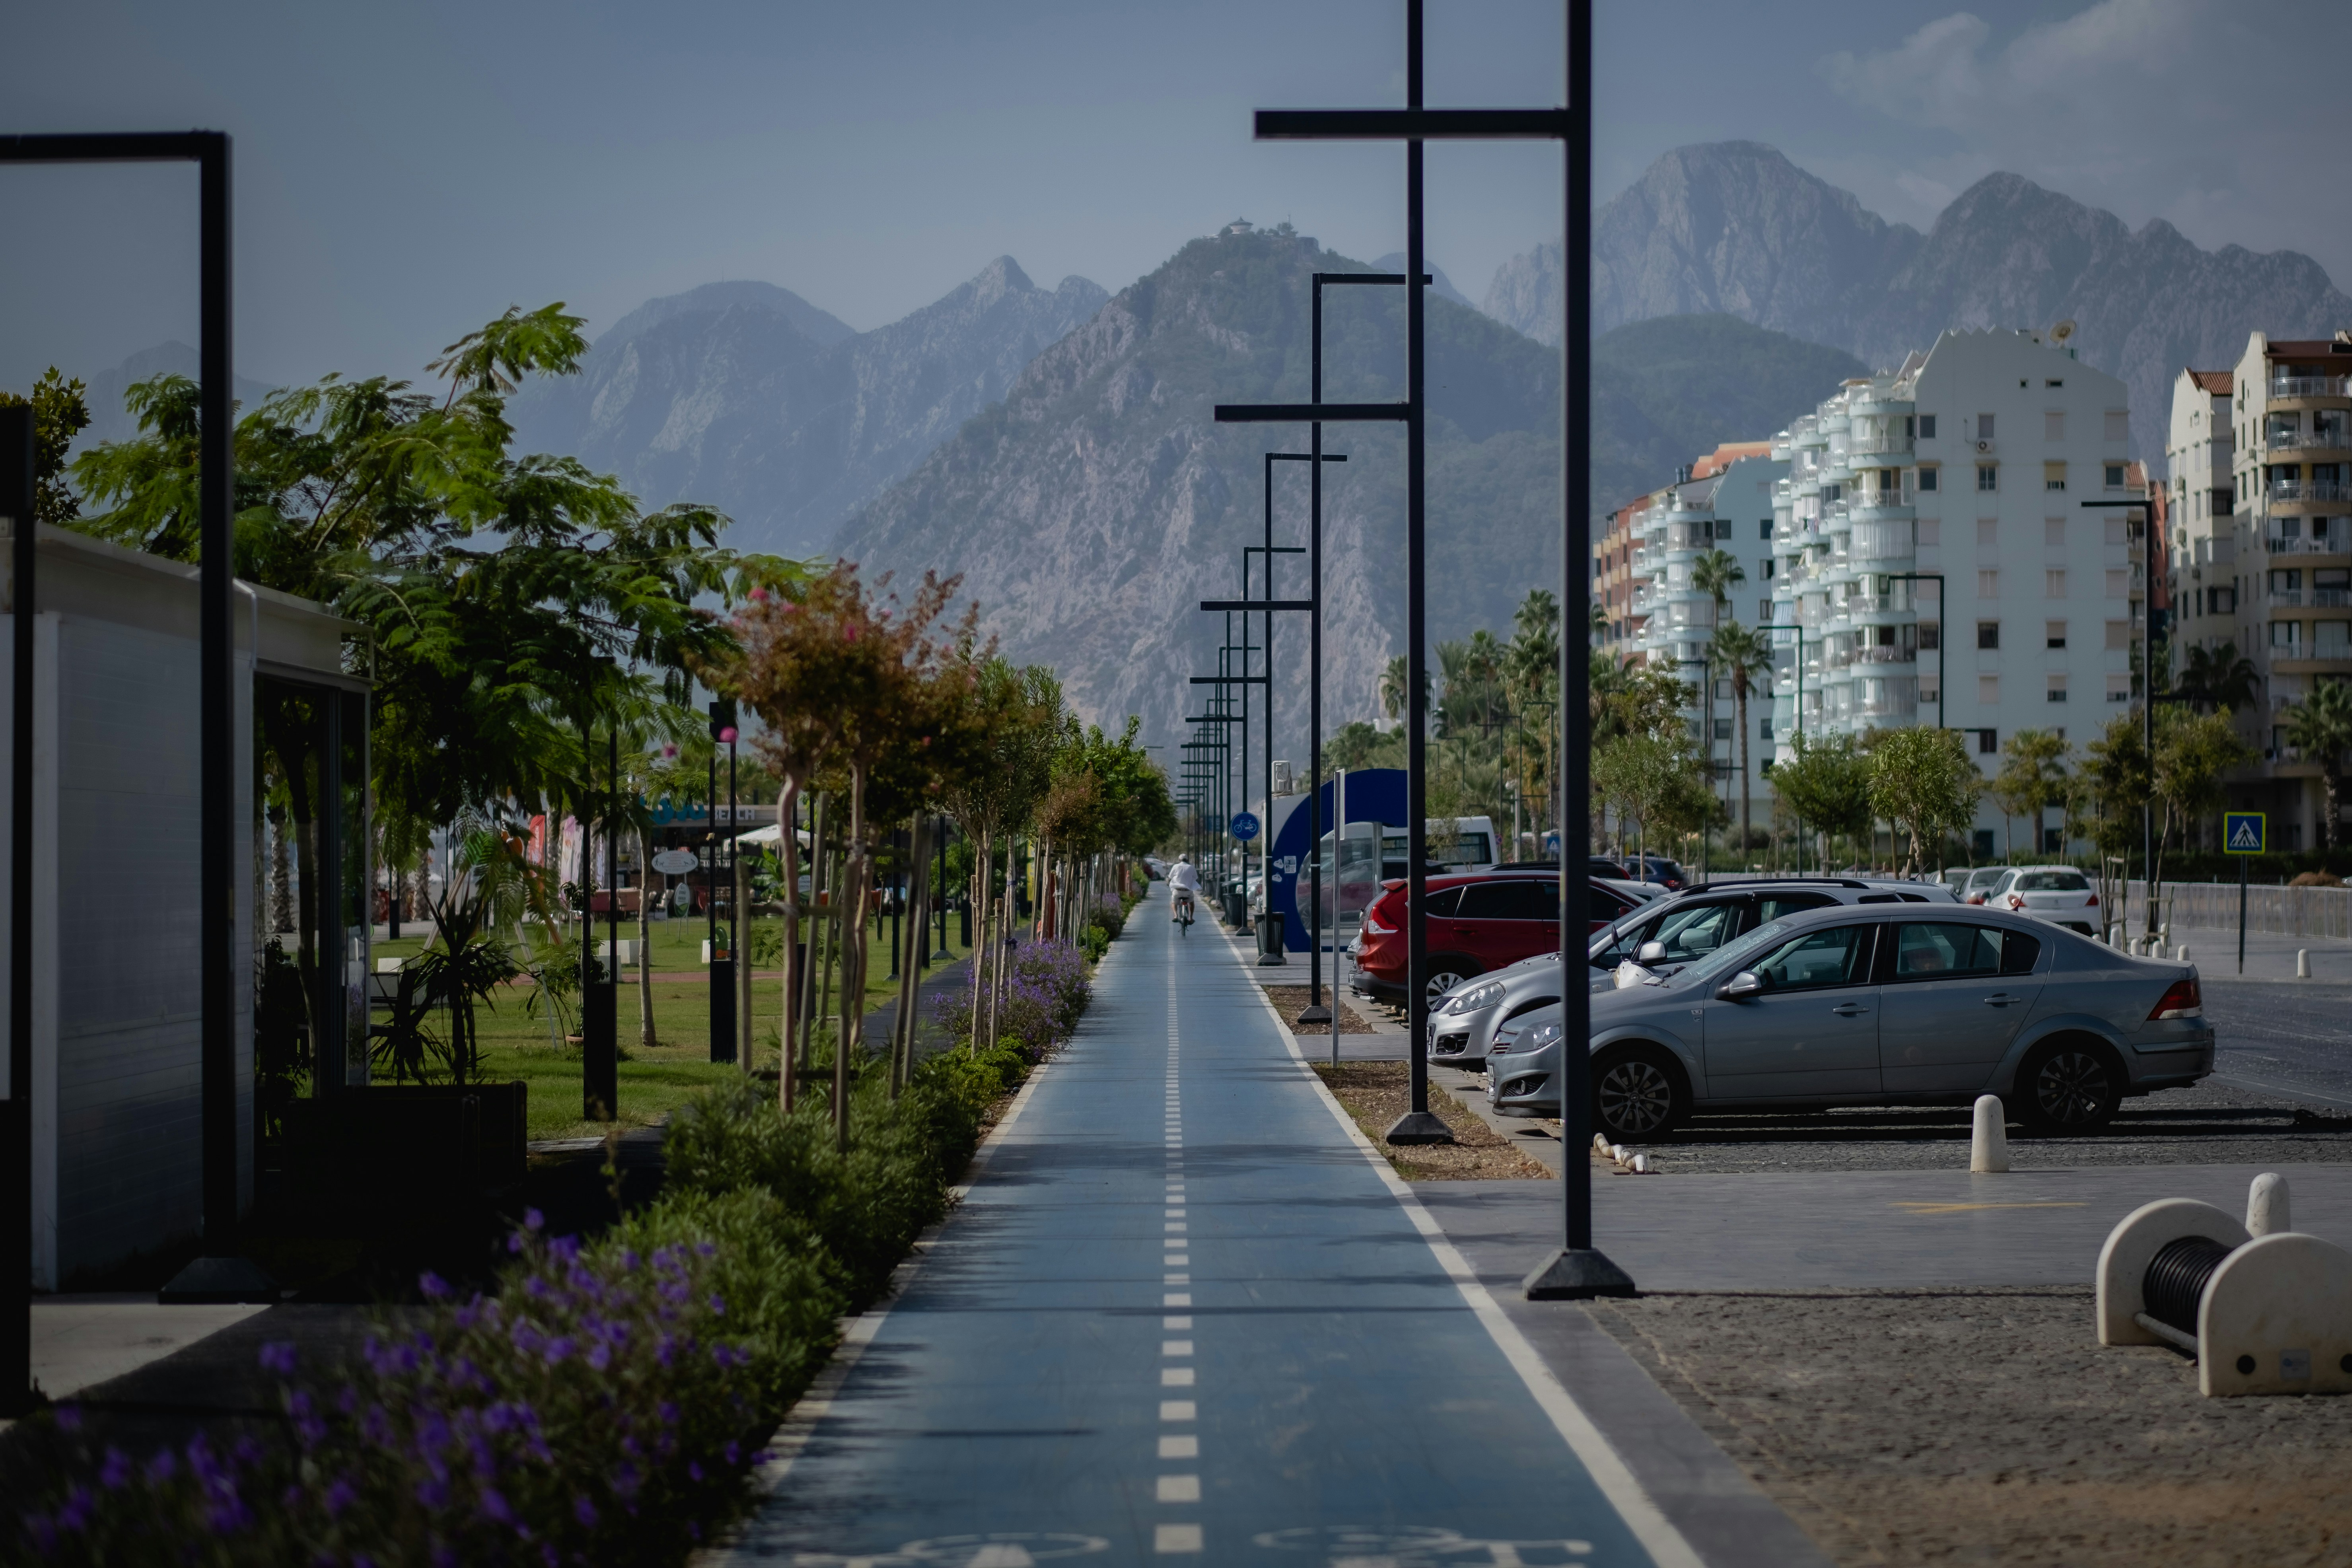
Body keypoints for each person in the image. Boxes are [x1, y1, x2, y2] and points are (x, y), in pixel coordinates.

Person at [1167, 854, 1199, 926]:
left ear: (1179, 860)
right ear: (1187, 860)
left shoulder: (1176, 866)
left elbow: (1170, 876)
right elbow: (1196, 877)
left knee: (1173, 902)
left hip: (1178, 891)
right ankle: (1190, 918)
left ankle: (1176, 916)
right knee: (1191, 902)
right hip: (1188, 891)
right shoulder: (1191, 867)